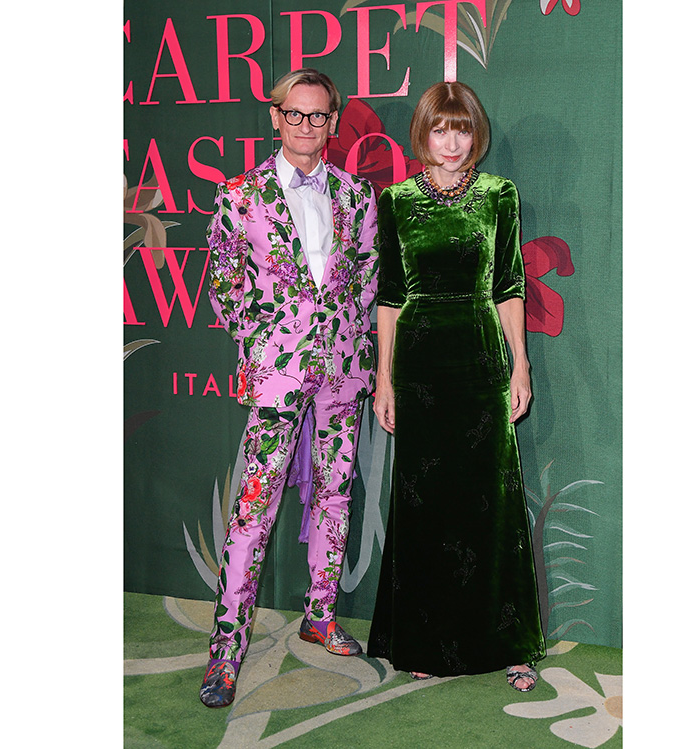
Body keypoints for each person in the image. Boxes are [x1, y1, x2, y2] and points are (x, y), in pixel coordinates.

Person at [199, 68, 379, 708]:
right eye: (295, 114)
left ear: (333, 123)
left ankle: (320, 613)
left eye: (318, 115)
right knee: (254, 508)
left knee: (335, 492)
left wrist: (348, 340)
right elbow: (224, 285)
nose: (306, 125)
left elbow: (367, 277)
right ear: (276, 118)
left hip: (342, 370)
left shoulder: (357, 196)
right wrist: (265, 345)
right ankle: (226, 650)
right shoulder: (240, 196)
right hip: (278, 373)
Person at [367, 81, 545, 691]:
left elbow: (509, 286)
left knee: (493, 502)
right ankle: (424, 639)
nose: (451, 141)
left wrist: (520, 364)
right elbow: (390, 296)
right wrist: (384, 379)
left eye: (462, 129)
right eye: (440, 128)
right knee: (426, 505)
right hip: (419, 365)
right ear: (424, 133)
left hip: (479, 358)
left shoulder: (499, 195)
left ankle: (510, 644)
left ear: (476, 134)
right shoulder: (395, 200)